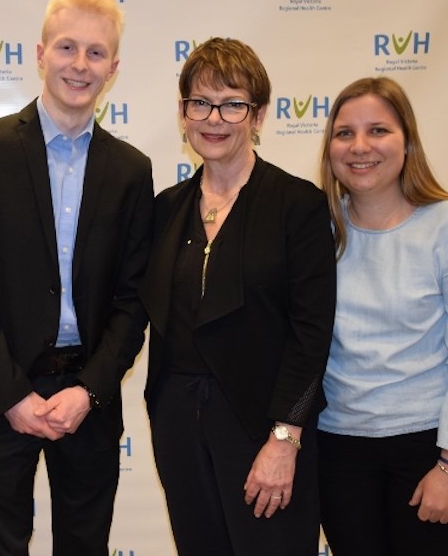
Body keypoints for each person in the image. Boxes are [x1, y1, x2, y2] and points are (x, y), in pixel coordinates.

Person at [0, 0, 154, 556]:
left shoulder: (133, 171)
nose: (79, 65)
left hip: (87, 395)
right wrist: (11, 393)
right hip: (2, 392)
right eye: (67, 47)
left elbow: (134, 302)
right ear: (40, 55)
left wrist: (89, 390)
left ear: (114, 67)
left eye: (94, 52)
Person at [139, 37, 336, 555]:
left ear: (259, 114)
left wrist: (285, 437)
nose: (214, 118)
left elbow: (311, 333)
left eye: (233, 103)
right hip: (179, 421)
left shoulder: (298, 206)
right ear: (183, 114)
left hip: (264, 425)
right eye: (199, 103)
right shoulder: (165, 208)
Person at [316, 76, 448, 555]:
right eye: (344, 133)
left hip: (431, 451)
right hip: (340, 454)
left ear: (407, 142)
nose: (360, 146)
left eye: (378, 131)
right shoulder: (317, 231)